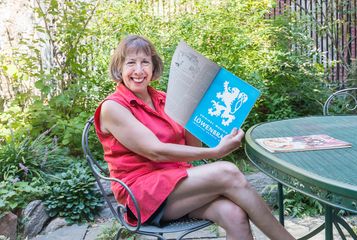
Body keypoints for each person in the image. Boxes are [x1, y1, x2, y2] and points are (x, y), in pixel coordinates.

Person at [94, 34, 295, 240]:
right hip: (141, 195)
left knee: (234, 215)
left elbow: (192, 144)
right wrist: (215, 152)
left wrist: (194, 110)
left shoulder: (165, 99)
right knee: (228, 171)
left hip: (177, 185)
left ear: (153, 68)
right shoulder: (113, 107)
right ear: (119, 68)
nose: (138, 70)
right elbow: (155, 152)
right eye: (131, 63)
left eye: (145, 62)